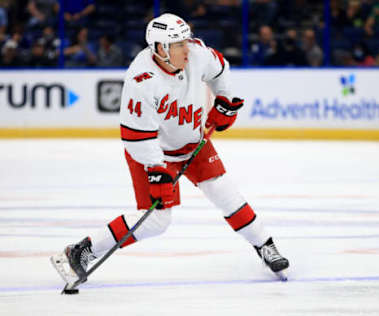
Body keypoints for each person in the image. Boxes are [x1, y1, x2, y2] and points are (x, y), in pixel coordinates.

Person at [50, 13, 289, 289]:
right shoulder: (141, 80)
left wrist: (225, 100)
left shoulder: (196, 54)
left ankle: (265, 246)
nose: (187, 48)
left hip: (193, 143)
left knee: (224, 192)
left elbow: (221, 70)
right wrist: (156, 170)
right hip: (152, 152)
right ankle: (80, 252)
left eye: (185, 41)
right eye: (178, 44)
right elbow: (135, 136)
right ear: (161, 49)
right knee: (157, 221)